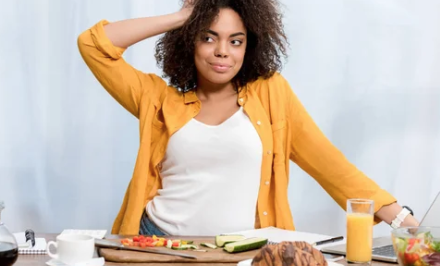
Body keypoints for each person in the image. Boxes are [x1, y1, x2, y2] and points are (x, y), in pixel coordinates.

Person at [78, 0, 419, 236]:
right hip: (161, 246)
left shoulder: (271, 94)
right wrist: (185, 16)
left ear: (249, 47)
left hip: (244, 254)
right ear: (189, 44)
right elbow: (94, 46)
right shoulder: (157, 98)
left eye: (235, 41)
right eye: (208, 37)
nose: (222, 51)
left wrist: (401, 218)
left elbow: (328, 163)